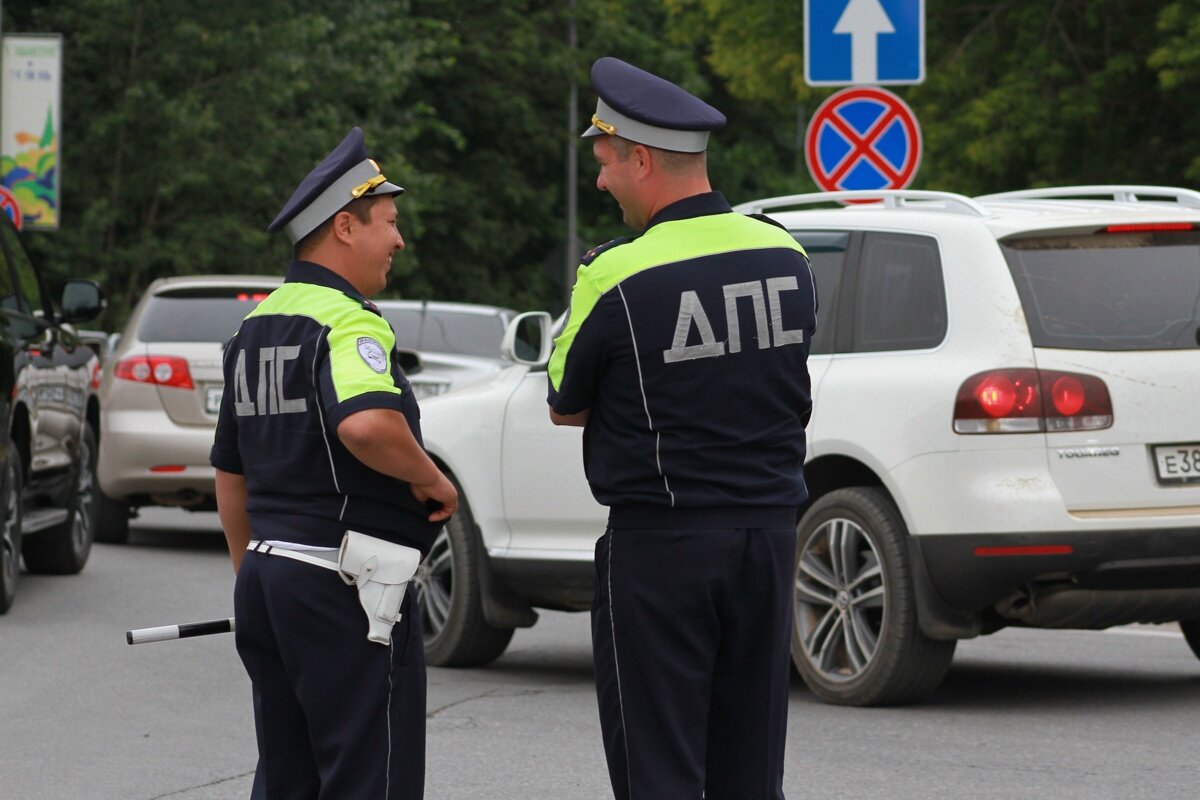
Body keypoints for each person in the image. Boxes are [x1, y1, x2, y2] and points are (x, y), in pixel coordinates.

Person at [547, 57, 817, 800]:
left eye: (605, 163)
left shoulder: (615, 273)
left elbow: (564, 401)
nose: (600, 182)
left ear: (640, 159)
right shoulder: (785, 252)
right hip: (768, 538)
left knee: (658, 768)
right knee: (751, 769)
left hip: (662, 548)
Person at [210, 126, 457, 800]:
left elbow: (230, 474)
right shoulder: (348, 321)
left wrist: (251, 574)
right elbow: (368, 424)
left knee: (286, 779)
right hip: (344, 585)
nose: (399, 240)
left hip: (270, 578)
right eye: (390, 223)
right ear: (345, 227)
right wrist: (430, 478)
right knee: (367, 778)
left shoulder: (253, 327)